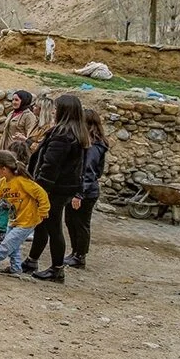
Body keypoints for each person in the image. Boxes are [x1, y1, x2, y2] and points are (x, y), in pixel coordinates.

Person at [23, 95, 89, 283]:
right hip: (63, 188)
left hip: (53, 189)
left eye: (56, 108)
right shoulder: (76, 133)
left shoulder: (62, 135)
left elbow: (50, 165)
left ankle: (57, 269)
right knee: (44, 225)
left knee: (53, 227)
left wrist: (39, 190)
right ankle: (32, 261)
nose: (53, 111)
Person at [0, 151, 50, 275]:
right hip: (15, 220)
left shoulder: (22, 181)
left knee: (7, 244)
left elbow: (41, 194)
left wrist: (42, 212)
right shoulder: (4, 182)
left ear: (4, 169)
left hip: (27, 221)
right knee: (13, 246)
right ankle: (16, 269)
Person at [64, 109, 109, 269]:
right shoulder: (89, 144)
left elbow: (88, 171)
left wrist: (79, 194)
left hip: (85, 192)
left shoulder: (94, 146)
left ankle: (80, 255)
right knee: (71, 221)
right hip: (80, 190)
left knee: (81, 223)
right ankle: (75, 252)